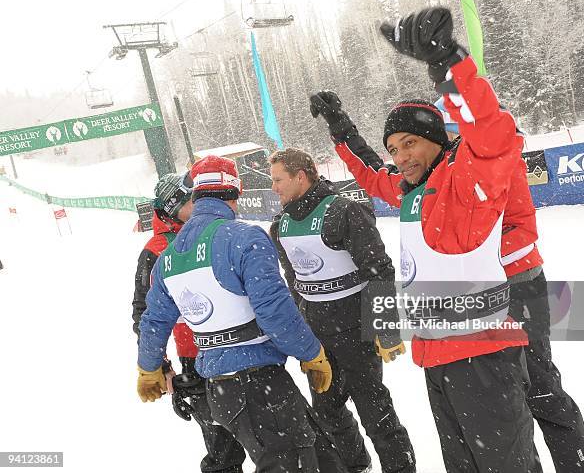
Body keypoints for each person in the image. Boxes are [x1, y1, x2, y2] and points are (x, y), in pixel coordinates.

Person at [310, 7, 540, 472]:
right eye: (394, 149)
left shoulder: (464, 180)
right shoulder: (410, 190)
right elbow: (371, 174)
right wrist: (341, 130)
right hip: (436, 357)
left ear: (436, 139)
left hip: (483, 354)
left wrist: (447, 65)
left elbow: (492, 136)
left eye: (409, 144)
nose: (400, 157)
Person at [137, 155, 347, 472]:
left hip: (222, 390)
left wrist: (149, 367)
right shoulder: (244, 237)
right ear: (236, 192)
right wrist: (311, 352)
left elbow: (152, 321)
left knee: (324, 458)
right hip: (259, 385)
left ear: (195, 195)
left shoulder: (169, 257)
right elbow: (274, 311)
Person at [434, 99, 584, 472]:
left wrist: (477, 253)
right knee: (509, 398)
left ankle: (581, 465)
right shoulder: (455, 163)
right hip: (486, 293)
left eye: (447, 134)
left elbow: (520, 229)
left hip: (518, 286)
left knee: (541, 388)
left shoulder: (494, 157)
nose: (445, 142)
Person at [268, 148, 415, 473]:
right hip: (318, 339)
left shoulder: (343, 211)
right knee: (327, 413)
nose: (274, 187)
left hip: (356, 334)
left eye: (278, 180)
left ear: (300, 177)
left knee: (377, 416)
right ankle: (356, 466)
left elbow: (378, 270)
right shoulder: (280, 225)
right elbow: (294, 282)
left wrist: (387, 327)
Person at [132, 172, 246, 473]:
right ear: (172, 207)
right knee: (223, 446)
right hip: (196, 357)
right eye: (189, 200)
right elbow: (144, 316)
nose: (197, 204)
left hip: (238, 345)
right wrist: (162, 367)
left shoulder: (213, 232)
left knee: (269, 436)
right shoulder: (156, 250)